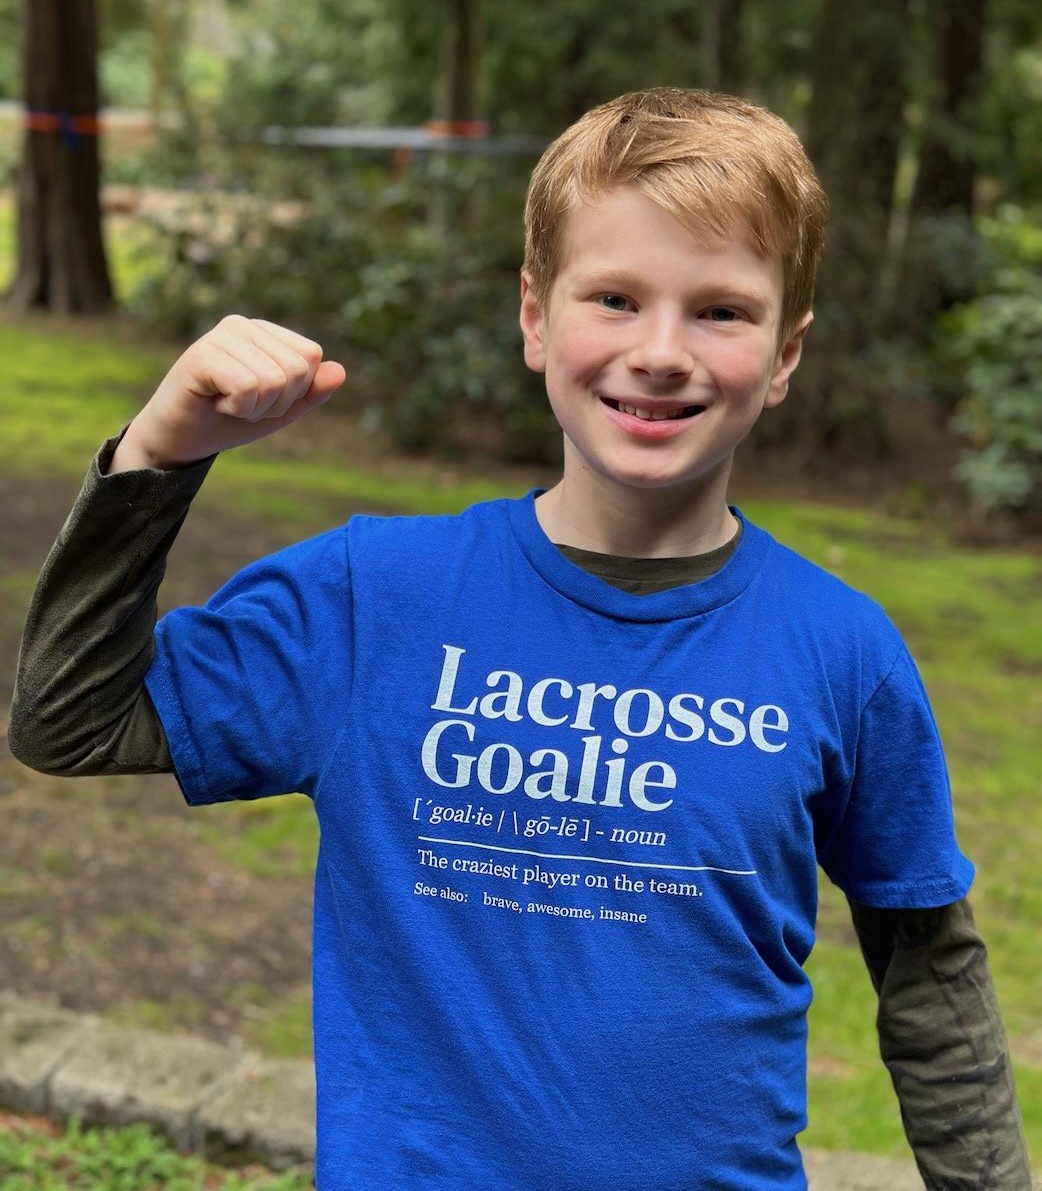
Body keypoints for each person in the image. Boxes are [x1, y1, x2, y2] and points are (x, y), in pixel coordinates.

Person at [9, 88, 1031, 1190]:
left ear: (785, 353)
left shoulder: (843, 650)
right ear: (536, 317)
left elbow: (928, 960)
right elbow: (69, 719)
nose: (659, 351)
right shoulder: (375, 598)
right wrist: (158, 452)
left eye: (721, 311)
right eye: (615, 297)